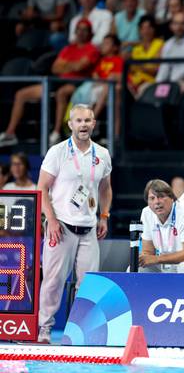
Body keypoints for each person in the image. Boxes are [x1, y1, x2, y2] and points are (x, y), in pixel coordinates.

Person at [37, 104, 113, 344]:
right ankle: (44, 330)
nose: (83, 125)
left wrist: (104, 215)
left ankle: (82, 333)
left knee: (89, 283)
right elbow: (42, 188)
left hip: (89, 228)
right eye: (78, 120)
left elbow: (105, 187)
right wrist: (51, 219)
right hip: (62, 227)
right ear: (70, 124)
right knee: (53, 281)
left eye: (88, 120)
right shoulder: (57, 152)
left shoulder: (102, 153)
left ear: (93, 123)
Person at [0, 19, 100, 148]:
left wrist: (67, 65)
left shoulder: (92, 49)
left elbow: (80, 67)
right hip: (58, 80)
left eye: (84, 30)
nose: (81, 32)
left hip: (78, 82)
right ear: (75, 32)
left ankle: (56, 132)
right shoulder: (68, 48)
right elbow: (55, 68)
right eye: (79, 29)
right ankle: (10, 133)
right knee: (21, 94)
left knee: (61, 93)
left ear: (90, 33)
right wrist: (72, 66)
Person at [154, 12, 184, 92]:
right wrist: (158, 84)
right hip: (170, 82)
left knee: (181, 87)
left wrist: (171, 84)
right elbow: (164, 68)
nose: (179, 27)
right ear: (171, 26)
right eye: (176, 24)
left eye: (182, 23)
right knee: (145, 89)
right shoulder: (168, 44)